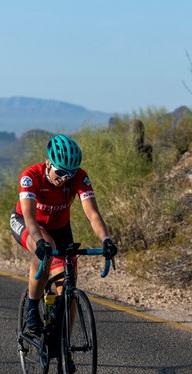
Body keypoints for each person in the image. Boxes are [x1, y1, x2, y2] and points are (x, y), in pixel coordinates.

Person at [10, 134, 117, 335]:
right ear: (48, 163)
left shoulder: (80, 177)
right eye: (60, 172)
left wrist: (106, 239)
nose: (64, 178)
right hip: (27, 223)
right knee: (45, 249)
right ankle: (32, 308)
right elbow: (31, 218)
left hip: (60, 228)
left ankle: (62, 348)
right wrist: (40, 242)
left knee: (68, 290)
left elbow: (93, 214)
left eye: (70, 174)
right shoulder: (31, 176)